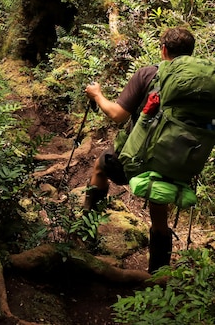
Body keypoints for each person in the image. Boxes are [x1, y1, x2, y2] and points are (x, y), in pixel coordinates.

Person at [82, 27, 196, 273]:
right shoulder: (197, 84)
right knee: (159, 213)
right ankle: (158, 277)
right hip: (176, 162)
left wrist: (97, 95)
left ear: (163, 50)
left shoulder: (148, 74)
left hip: (138, 160)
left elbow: (117, 115)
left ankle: (86, 234)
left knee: (101, 166)